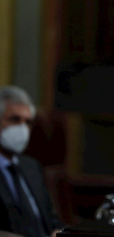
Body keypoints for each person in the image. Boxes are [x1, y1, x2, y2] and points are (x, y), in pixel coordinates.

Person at [0, 86, 65, 236]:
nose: (22, 128)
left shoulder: (31, 166)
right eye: (15, 119)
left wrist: (58, 232)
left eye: (27, 122)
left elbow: (52, 220)